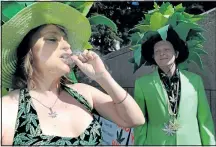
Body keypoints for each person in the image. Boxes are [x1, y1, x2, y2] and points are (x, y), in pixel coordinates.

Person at [1, 2, 145, 146]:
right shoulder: (8, 108)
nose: (67, 46)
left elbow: (135, 119)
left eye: (67, 40)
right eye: (52, 39)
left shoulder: (83, 93)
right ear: (29, 51)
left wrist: (102, 76)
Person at [133, 26, 216, 145]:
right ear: (153, 57)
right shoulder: (142, 83)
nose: (162, 53)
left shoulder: (194, 80)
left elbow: (205, 119)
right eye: (157, 51)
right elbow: (140, 121)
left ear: (176, 53)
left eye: (166, 49)